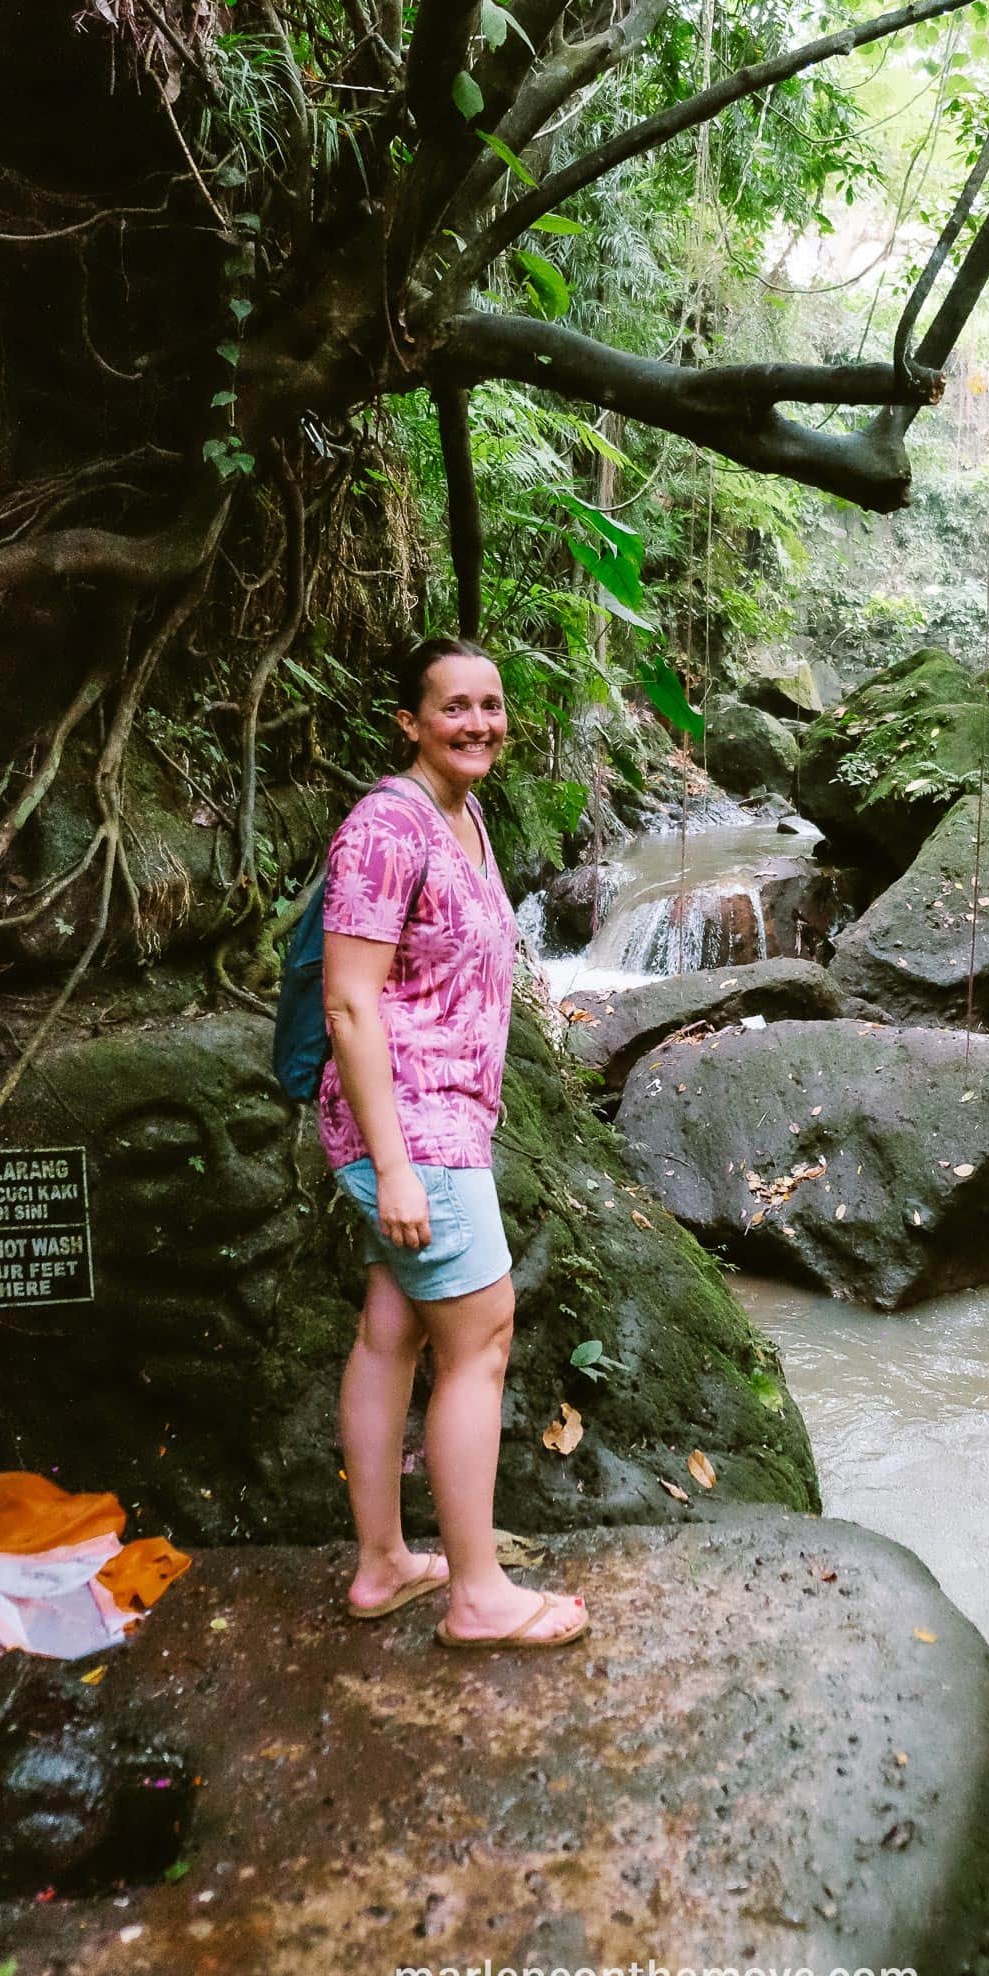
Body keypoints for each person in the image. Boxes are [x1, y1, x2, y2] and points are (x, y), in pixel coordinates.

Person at [319, 636, 588, 1649]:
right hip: (409, 1127)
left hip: (447, 1119)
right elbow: (349, 1002)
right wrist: (392, 1162)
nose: (478, 722)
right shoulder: (387, 827)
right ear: (409, 722)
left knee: (393, 1328)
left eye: (491, 704)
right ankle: (479, 1595)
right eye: (453, 708)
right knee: (480, 1339)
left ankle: (385, 1563)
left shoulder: (463, 814)